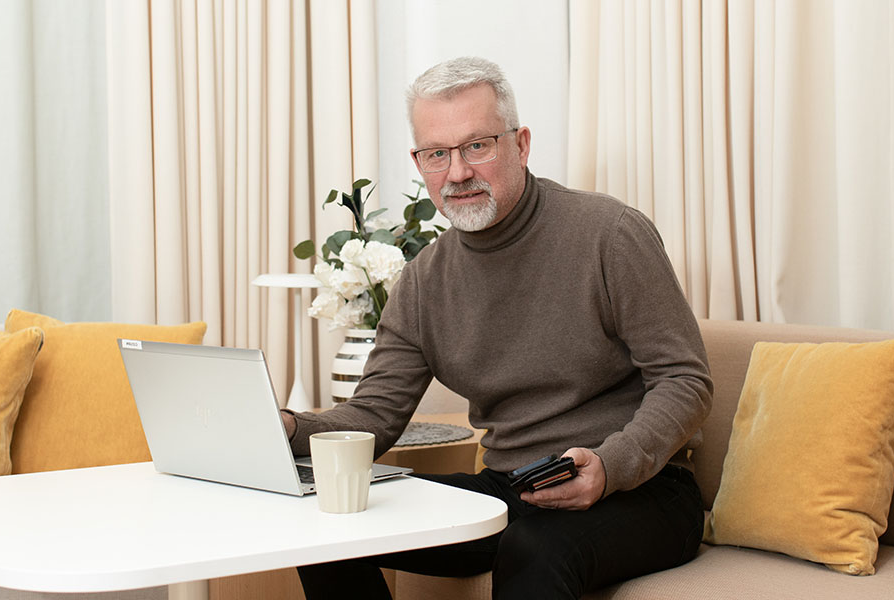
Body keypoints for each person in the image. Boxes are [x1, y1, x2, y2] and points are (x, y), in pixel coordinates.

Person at [282, 56, 713, 600]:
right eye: (437, 154)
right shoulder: (422, 282)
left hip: (644, 490)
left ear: (521, 144)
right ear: (419, 163)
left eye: (476, 146)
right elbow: (373, 415)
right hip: (515, 487)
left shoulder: (610, 234)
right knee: (329, 523)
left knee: (534, 546)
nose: (457, 172)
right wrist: (288, 429)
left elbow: (687, 381)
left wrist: (610, 465)